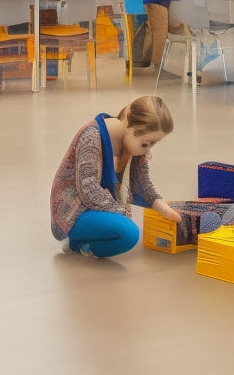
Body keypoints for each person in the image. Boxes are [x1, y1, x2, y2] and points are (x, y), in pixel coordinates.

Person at [50, 95, 182, 258]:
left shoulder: (134, 143)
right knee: (129, 233)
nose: (148, 149)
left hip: (99, 209)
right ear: (128, 123)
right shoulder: (91, 137)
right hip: (74, 212)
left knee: (127, 231)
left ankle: (92, 234)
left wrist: (160, 205)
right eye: (146, 144)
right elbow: (88, 189)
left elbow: (141, 182)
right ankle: (79, 244)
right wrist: (120, 212)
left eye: (153, 144)